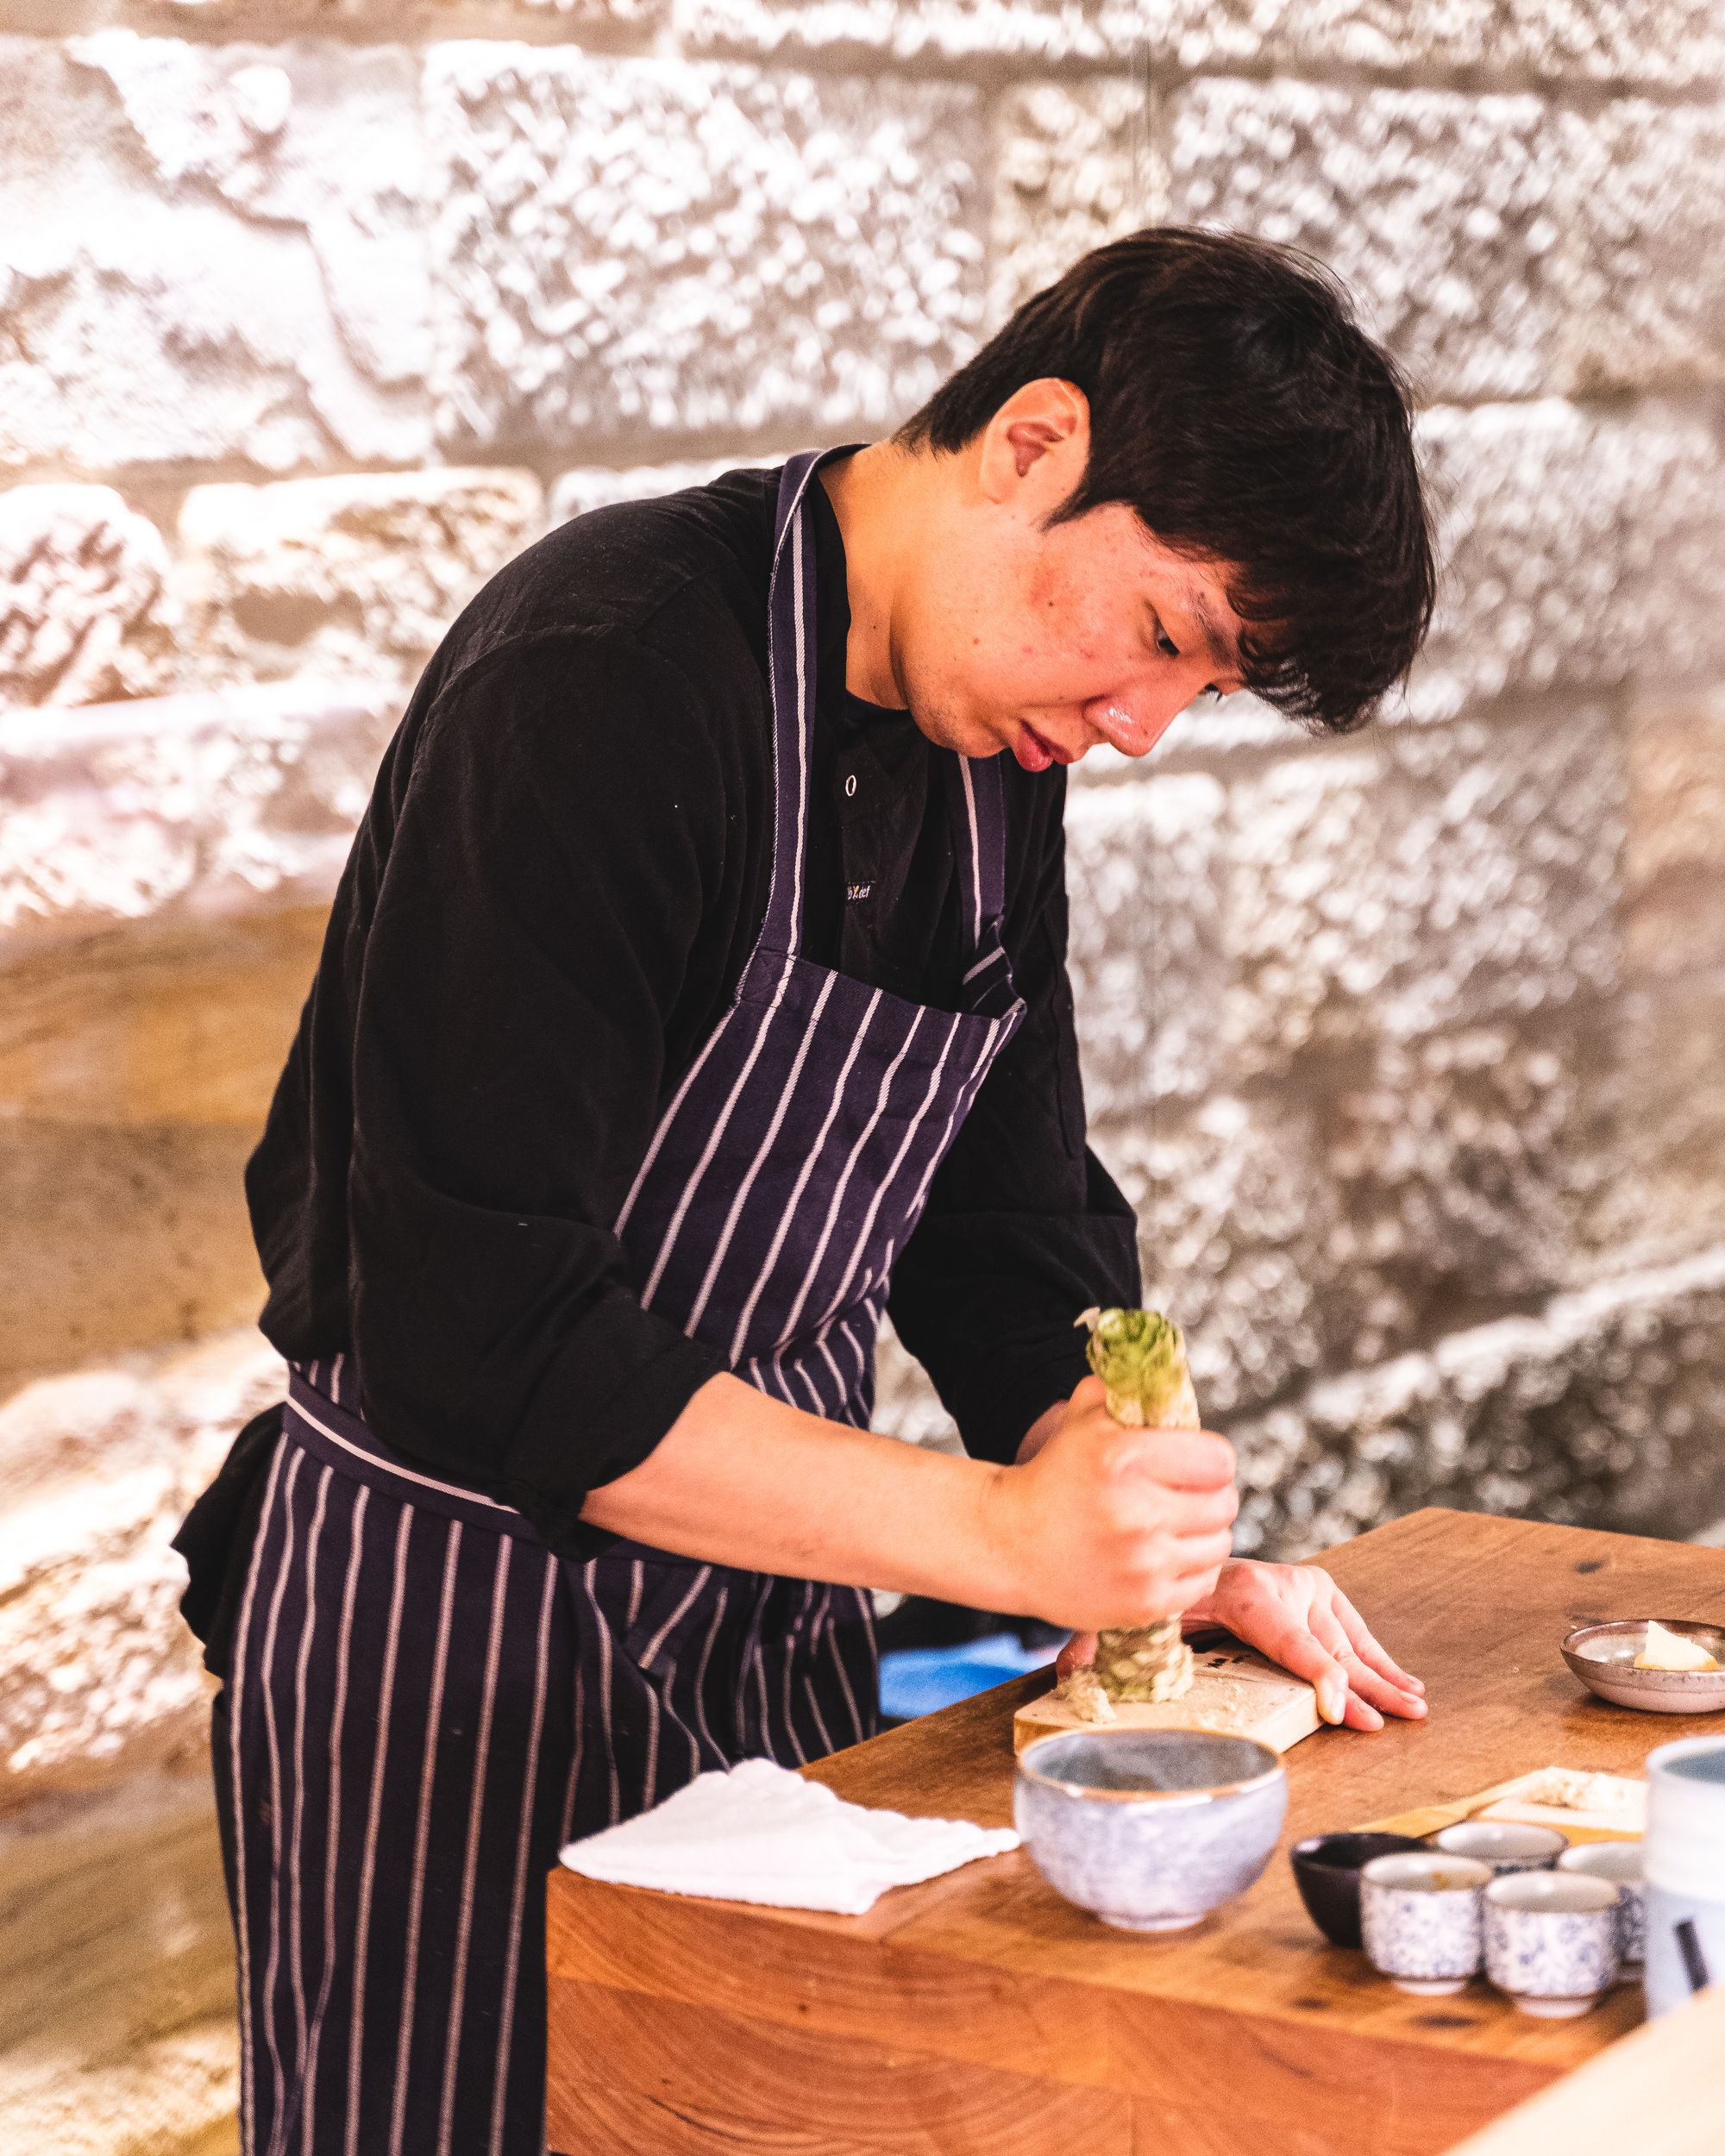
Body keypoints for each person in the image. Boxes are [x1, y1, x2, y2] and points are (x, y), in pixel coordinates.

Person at [174, 226, 1437, 2154]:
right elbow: (479, 1325)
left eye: (1204, 687)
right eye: (1165, 635)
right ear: (1030, 443)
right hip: (451, 1649)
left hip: (767, 1632)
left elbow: (1008, 1221)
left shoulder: (990, 745)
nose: (1139, 722)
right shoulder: (603, 676)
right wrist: (1007, 1540)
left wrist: (1142, 1542)